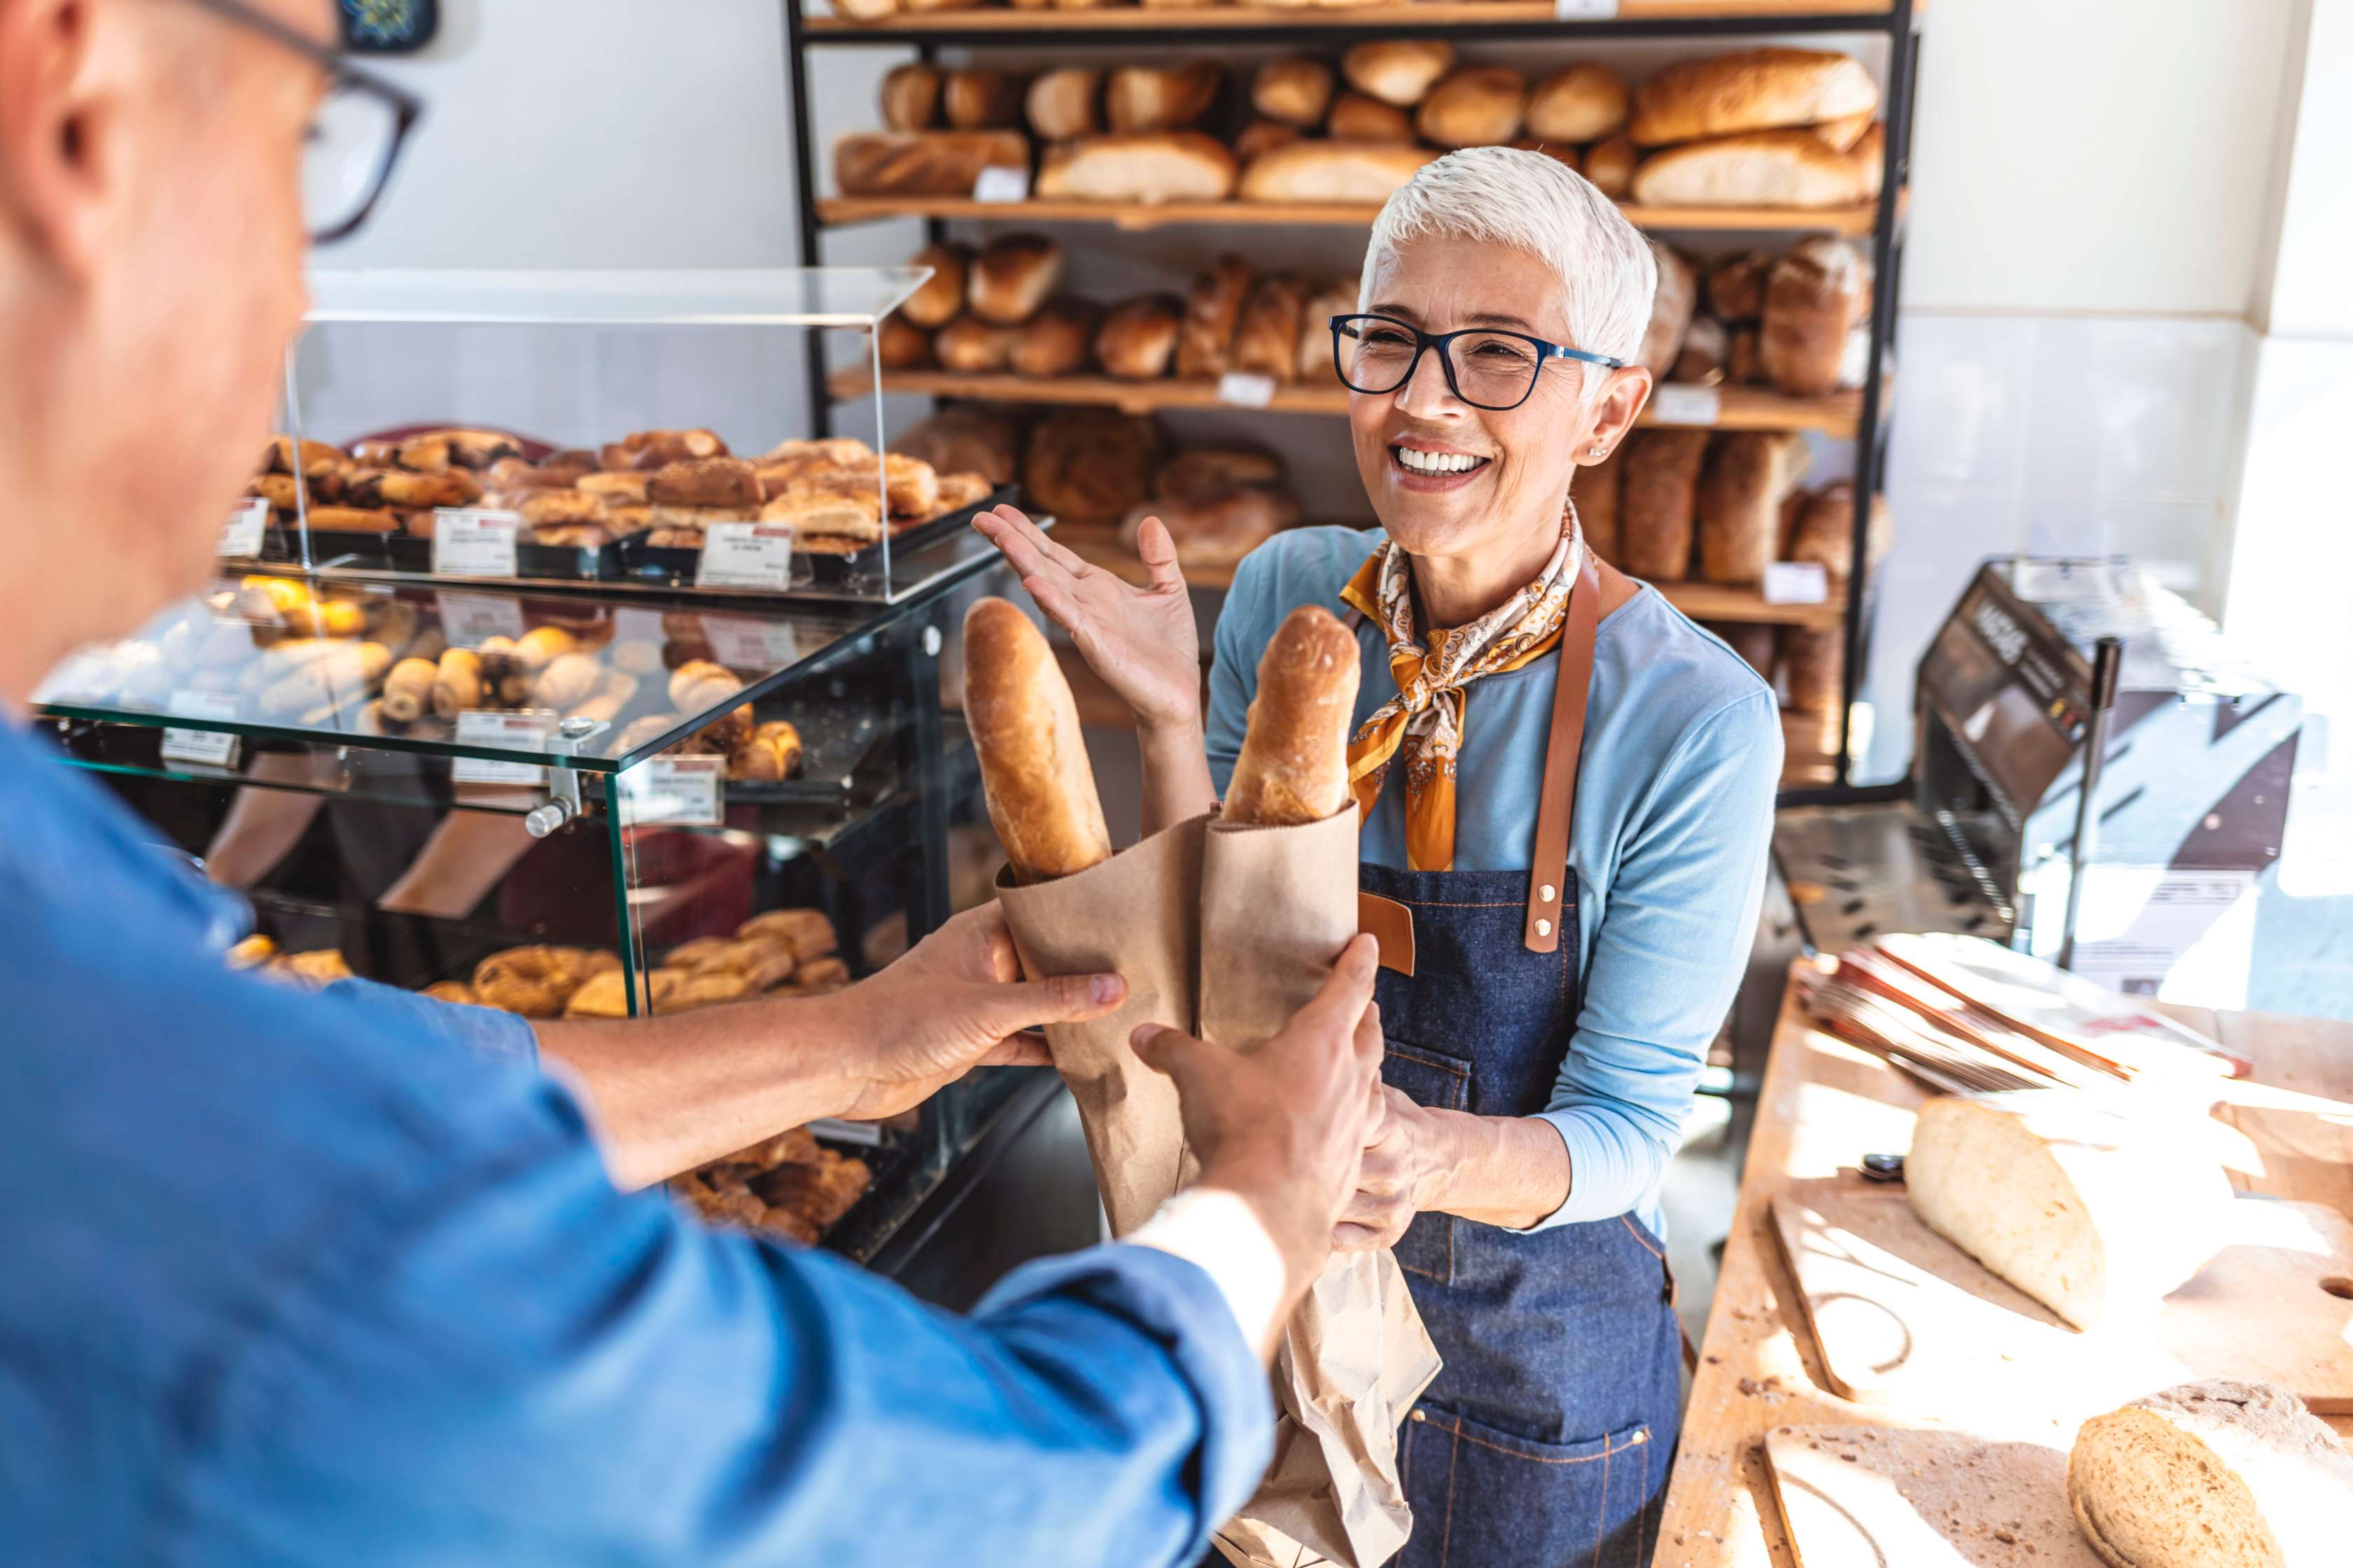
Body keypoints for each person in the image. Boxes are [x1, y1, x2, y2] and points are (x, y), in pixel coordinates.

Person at [0, 1, 1388, 1562]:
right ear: (79, 107)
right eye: (304, 141)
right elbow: (1010, 1496)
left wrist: (849, 1048)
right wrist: (1266, 1198)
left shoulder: (81, 944)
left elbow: (341, 1078)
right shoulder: (223, 1172)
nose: (297, 293)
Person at [978, 146, 1782, 1567]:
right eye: (1394, 340)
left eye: (1495, 355)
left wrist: (1412, 1150)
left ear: (1609, 408)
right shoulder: (1289, 594)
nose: (1423, 398)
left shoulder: (1696, 719)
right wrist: (1167, 715)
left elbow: (1630, 1132)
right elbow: (1220, 957)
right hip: (1280, 1325)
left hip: (1539, 1380)